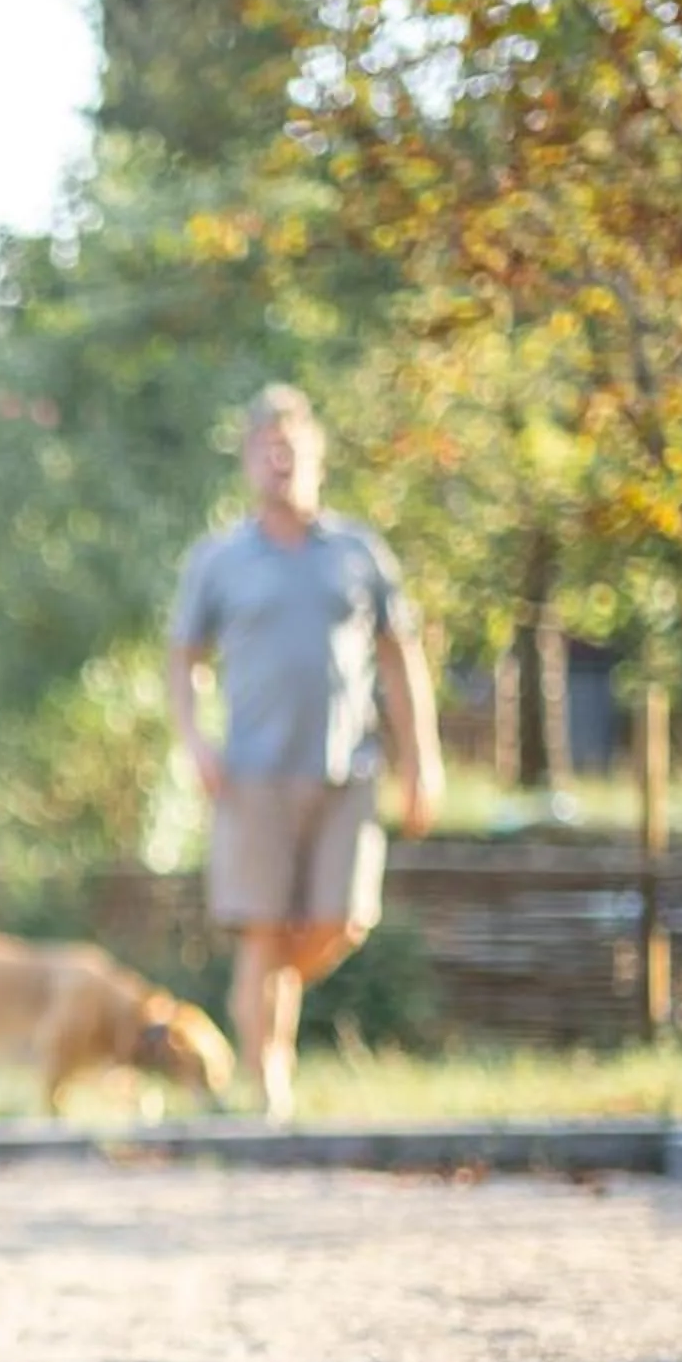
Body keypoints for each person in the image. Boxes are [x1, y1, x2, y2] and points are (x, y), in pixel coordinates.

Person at [165, 384, 442, 1124]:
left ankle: (258, 1002)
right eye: (264, 449)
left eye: (290, 448)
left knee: (341, 919)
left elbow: (399, 658)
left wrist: (424, 760)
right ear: (248, 462)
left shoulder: (358, 552)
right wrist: (194, 743)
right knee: (260, 928)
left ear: (315, 455)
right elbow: (183, 659)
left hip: (346, 770)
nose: (278, 462)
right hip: (251, 774)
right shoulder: (218, 560)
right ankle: (270, 1083)